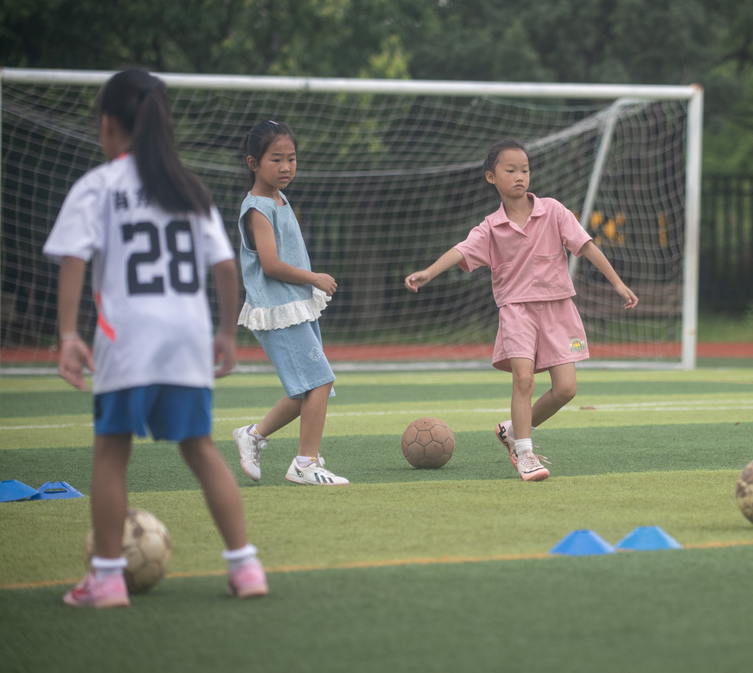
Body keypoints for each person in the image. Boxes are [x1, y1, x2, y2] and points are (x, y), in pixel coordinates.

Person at [45, 68, 267, 607]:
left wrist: (70, 334)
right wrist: (224, 333)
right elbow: (224, 266)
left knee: (111, 452)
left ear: (106, 124)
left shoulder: (99, 185)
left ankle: (106, 577)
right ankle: (245, 568)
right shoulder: (186, 187)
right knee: (200, 450)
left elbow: (74, 257)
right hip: (186, 335)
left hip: (128, 337)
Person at [405, 139, 639, 481]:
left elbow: (586, 246)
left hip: (559, 310)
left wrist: (618, 284)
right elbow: (460, 251)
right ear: (491, 177)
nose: (520, 176)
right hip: (516, 312)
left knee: (566, 389)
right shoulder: (490, 227)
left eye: (525, 170)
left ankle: (513, 430)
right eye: (510, 170)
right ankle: (525, 453)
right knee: (524, 379)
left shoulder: (554, 211)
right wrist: (428, 272)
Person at [230, 120, 347, 486]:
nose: (286, 167)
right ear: (253, 163)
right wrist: (314, 278)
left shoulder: (281, 199)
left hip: (297, 306)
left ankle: (253, 435)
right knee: (320, 382)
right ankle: (305, 463)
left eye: (292, 159)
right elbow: (271, 264)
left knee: (308, 389)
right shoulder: (258, 209)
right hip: (277, 311)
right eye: (276, 159)